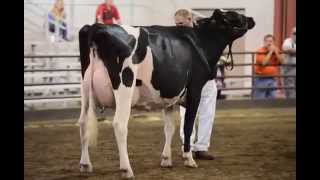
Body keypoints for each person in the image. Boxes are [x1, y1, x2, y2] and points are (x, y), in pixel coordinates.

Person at [175, 9, 217, 160]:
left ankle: (202, 148)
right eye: (176, 23)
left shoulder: (204, 32)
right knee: (186, 113)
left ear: (189, 19)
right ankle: (188, 147)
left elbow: (215, 22)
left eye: (181, 23)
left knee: (208, 114)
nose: (178, 26)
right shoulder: (177, 36)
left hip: (209, 78)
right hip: (188, 81)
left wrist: (195, 16)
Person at [254, 34, 284, 99]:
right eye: (267, 41)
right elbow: (264, 63)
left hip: (273, 79)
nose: (269, 43)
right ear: (264, 42)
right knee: (260, 99)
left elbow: (282, 62)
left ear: (274, 42)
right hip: (261, 79)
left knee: (272, 99)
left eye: (271, 41)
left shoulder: (276, 50)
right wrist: (270, 52)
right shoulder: (260, 51)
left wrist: (276, 52)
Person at [282, 27, 296, 99]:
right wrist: (292, 51)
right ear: (291, 34)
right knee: (290, 89)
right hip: (289, 69)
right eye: (294, 33)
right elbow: (287, 49)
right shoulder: (288, 41)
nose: (295, 35)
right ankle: (291, 105)